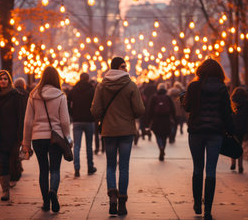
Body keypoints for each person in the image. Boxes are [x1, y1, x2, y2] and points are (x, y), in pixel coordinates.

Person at [91, 57, 145, 216]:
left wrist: (105, 117)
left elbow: (95, 111)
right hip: (126, 131)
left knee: (110, 165)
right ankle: (122, 200)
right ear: (118, 67)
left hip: (109, 131)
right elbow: (140, 110)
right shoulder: (130, 85)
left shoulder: (102, 86)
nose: (126, 69)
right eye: (123, 66)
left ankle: (112, 196)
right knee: (124, 166)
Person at [182, 58, 234, 220]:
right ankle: (208, 211)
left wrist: (183, 99)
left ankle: (197, 203)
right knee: (211, 170)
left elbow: (187, 107)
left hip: (196, 132)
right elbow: (227, 113)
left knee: (197, 168)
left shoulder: (194, 86)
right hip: (215, 133)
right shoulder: (222, 88)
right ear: (219, 72)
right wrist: (231, 131)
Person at [21, 66, 72, 213]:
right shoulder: (60, 96)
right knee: (55, 169)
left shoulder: (33, 95)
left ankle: (45, 202)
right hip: (55, 138)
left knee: (43, 169)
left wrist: (26, 143)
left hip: (38, 138)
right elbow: (64, 121)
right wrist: (67, 137)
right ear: (56, 78)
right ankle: (53, 191)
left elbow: (28, 121)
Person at [0, 70, 26, 201]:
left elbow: (21, 117)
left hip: (14, 136)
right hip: (0, 136)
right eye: (0, 79)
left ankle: (14, 178)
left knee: (13, 162)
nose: (3, 81)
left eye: (5, 79)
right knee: (3, 163)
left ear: (9, 81)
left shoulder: (16, 95)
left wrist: (22, 137)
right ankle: (5, 190)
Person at [67, 72, 97, 177]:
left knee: (77, 146)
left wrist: (72, 113)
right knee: (89, 146)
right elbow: (96, 104)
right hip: (89, 120)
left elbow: (67, 104)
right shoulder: (92, 90)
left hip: (77, 120)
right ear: (88, 79)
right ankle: (90, 167)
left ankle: (77, 168)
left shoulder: (73, 90)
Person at [146, 82, 175, 161]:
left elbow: (150, 110)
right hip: (166, 119)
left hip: (156, 119)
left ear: (158, 88)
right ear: (165, 88)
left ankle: (161, 147)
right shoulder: (168, 97)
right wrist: (173, 119)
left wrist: (148, 121)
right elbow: (172, 109)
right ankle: (163, 148)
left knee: (157, 135)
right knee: (164, 136)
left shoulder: (154, 97)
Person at [230, 86, 248, 173]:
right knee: (240, 145)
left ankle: (233, 163)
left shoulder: (232, 101)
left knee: (233, 144)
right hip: (242, 127)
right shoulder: (247, 102)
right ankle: (240, 165)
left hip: (232, 126)